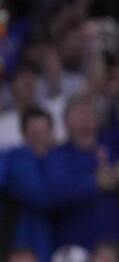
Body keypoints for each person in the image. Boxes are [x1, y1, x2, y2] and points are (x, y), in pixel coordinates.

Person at [44, 93, 119, 252]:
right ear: (66, 123)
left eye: (90, 114)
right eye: (79, 115)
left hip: (113, 248)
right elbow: (55, 193)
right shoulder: (57, 155)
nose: (86, 119)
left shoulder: (109, 146)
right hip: (75, 249)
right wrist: (95, 182)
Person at [0, 107, 54, 262]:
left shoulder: (58, 159)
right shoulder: (12, 158)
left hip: (50, 240)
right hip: (17, 240)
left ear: (51, 133)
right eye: (34, 134)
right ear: (23, 134)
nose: (39, 139)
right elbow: (41, 196)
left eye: (43, 133)